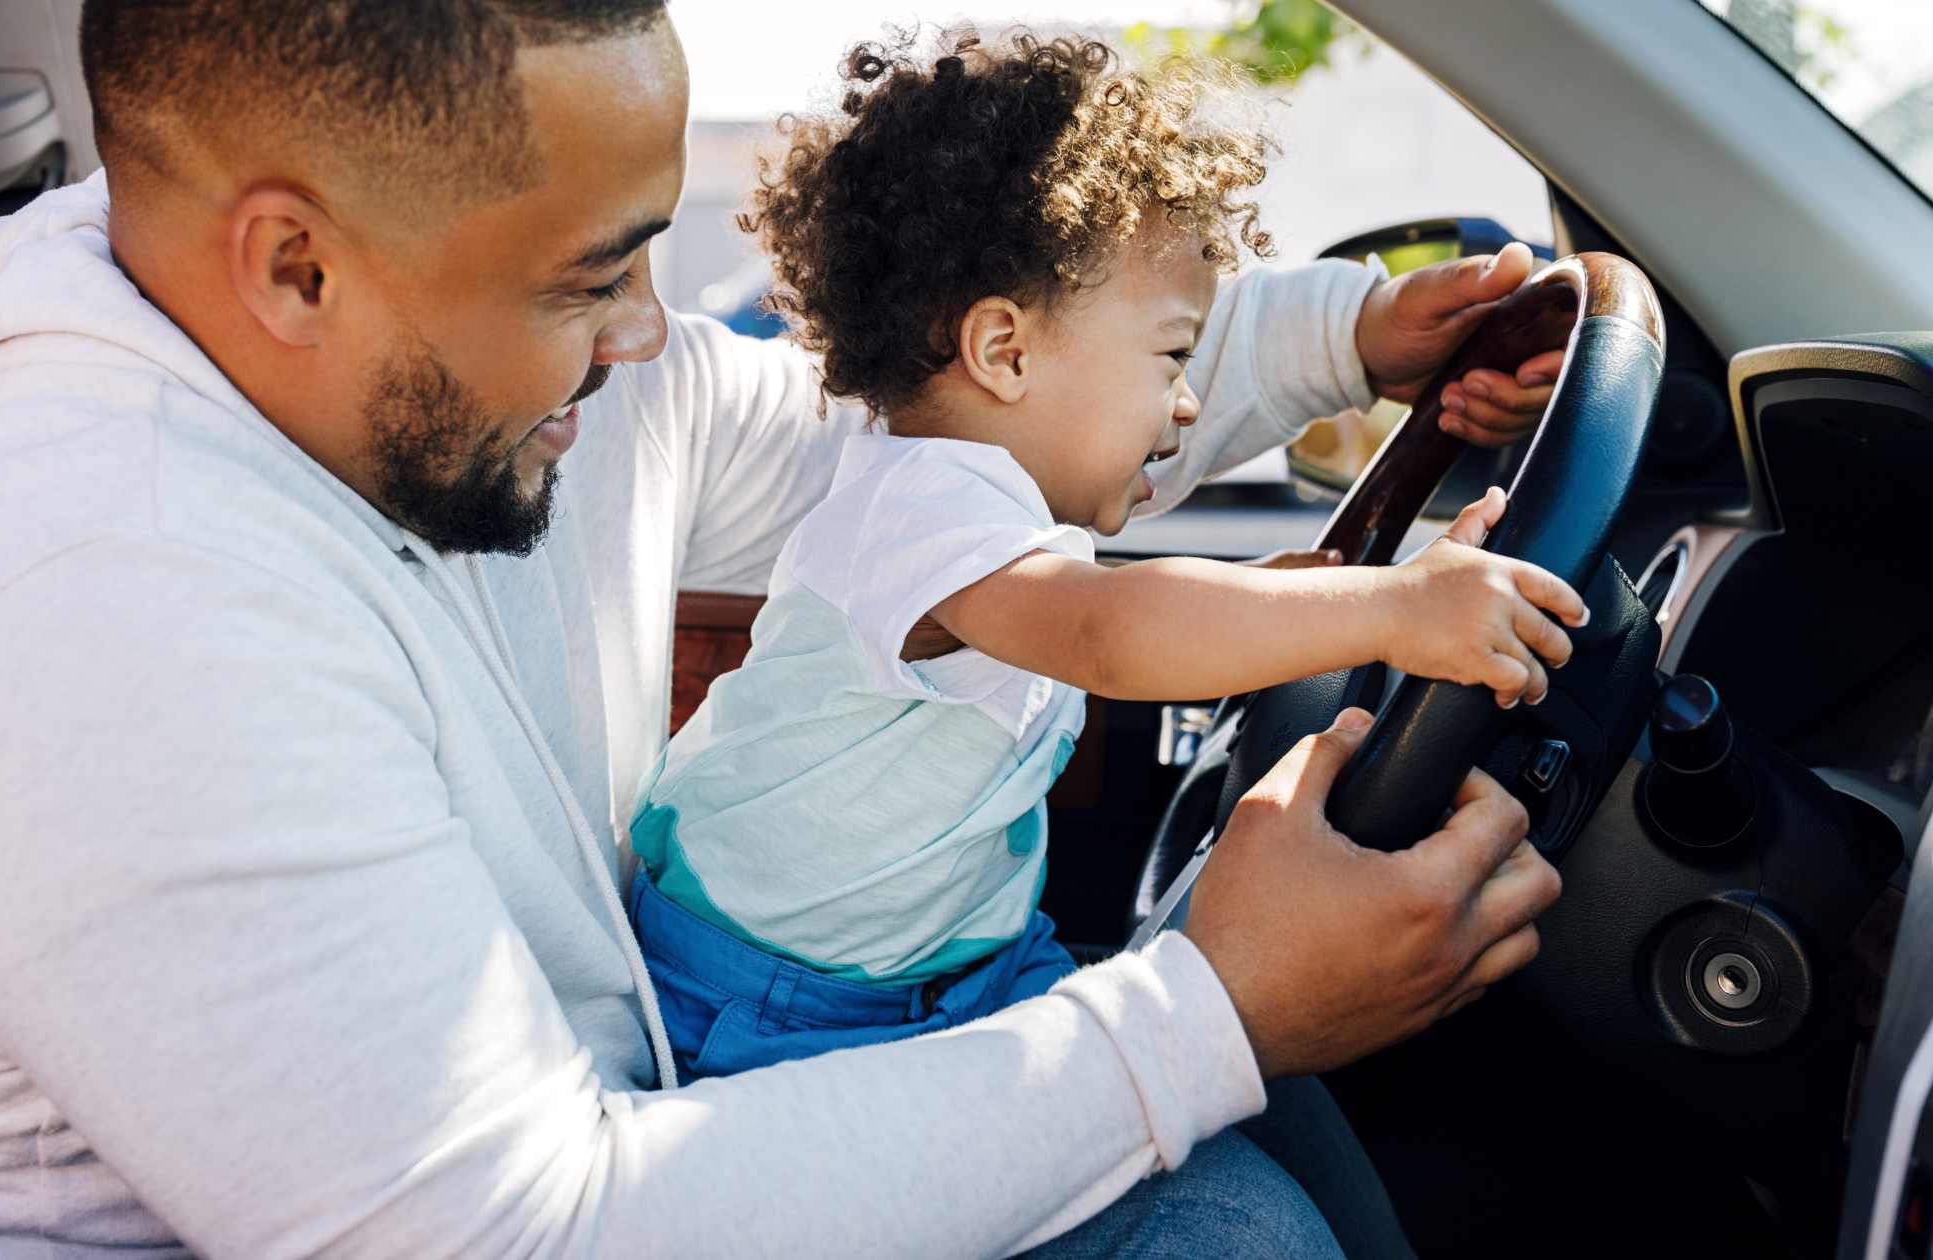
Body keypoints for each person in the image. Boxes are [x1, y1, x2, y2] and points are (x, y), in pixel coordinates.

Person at [0, 3, 1562, 1256]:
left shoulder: (442, 379)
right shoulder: (102, 616)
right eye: (590, 278)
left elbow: (916, 432)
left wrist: (1347, 344)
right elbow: (521, 1234)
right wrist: (1214, 1010)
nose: (653, 333)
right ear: (295, 267)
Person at [626, 32, 1586, 1086]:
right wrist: (1389, 609)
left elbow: (1111, 615)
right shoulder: (915, 504)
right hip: (776, 1002)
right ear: (1003, 351)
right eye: (1172, 355)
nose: (1186, 401)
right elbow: (1109, 632)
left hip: (959, 965)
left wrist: (1316, 600)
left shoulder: (997, 520)